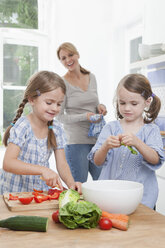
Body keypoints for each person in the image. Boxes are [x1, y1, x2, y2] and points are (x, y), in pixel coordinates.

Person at [88, 73, 165, 209]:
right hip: (110, 197)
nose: (127, 108)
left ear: (147, 102)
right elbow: (97, 161)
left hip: (142, 200)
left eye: (134, 103)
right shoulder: (110, 128)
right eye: (122, 103)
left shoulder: (151, 130)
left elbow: (156, 159)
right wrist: (105, 147)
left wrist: (137, 142)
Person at [0, 71, 81, 194]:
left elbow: (62, 164)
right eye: (49, 102)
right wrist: (42, 170)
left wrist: (71, 184)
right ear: (32, 100)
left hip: (38, 193)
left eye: (59, 104)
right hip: (14, 194)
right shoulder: (23, 126)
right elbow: (8, 163)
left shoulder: (57, 129)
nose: (55, 108)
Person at [57, 42, 107, 182]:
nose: (68, 60)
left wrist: (100, 107)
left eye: (70, 55)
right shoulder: (62, 83)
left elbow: (95, 104)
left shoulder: (92, 77)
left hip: (97, 140)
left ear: (77, 54)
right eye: (63, 58)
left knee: (103, 183)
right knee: (79, 187)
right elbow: (60, 117)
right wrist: (85, 116)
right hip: (76, 142)